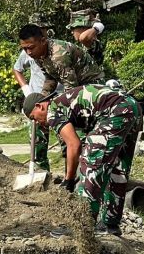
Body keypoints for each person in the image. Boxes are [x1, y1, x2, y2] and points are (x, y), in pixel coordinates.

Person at [22, 84, 140, 236]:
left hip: (114, 110)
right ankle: (111, 224)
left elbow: (74, 144)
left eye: (33, 117)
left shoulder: (52, 110)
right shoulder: (64, 102)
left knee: (91, 163)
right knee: (118, 168)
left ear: (40, 106)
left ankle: (80, 225)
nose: (36, 123)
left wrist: (69, 180)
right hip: (132, 106)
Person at [18, 24, 104, 172]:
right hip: (76, 89)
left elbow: (71, 93)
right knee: (43, 119)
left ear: (43, 41)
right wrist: (40, 100)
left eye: (31, 47)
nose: (28, 52)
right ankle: (43, 172)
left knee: (70, 129)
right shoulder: (39, 54)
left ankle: (76, 175)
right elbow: (51, 77)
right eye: (24, 48)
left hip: (92, 90)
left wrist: (54, 111)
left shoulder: (59, 54)